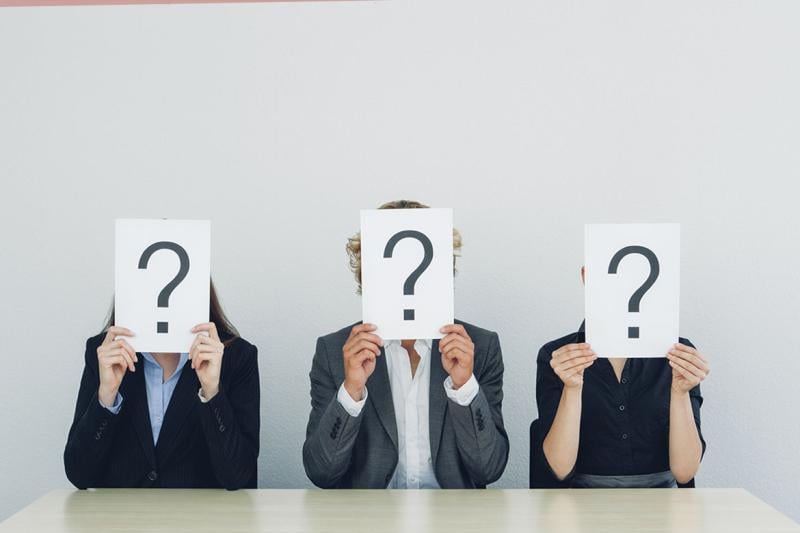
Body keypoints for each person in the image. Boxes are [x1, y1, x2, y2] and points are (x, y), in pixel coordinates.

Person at [302, 200, 509, 489]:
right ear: (367, 273)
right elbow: (321, 472)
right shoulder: (335, 351)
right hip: (370, 520)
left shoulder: (480, 347)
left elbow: (489, 469)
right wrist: (351, 391)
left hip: (453, 519)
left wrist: (465, 387)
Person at [64, 282, 259, 490]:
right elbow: (79, 473)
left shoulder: (236, 358)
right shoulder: (104, 353)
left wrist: (212, 391)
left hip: (201, 519)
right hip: (121, 518)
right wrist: (106, 396)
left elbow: (239, 477)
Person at [534, 267, 709, 488]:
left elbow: (685, 473)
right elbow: (559, 469)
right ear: (587, 276)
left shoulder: (678, 352)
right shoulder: (559, 356)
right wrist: (572, 388)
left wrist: (680, 392)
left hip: (663, 500)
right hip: (582, 501)